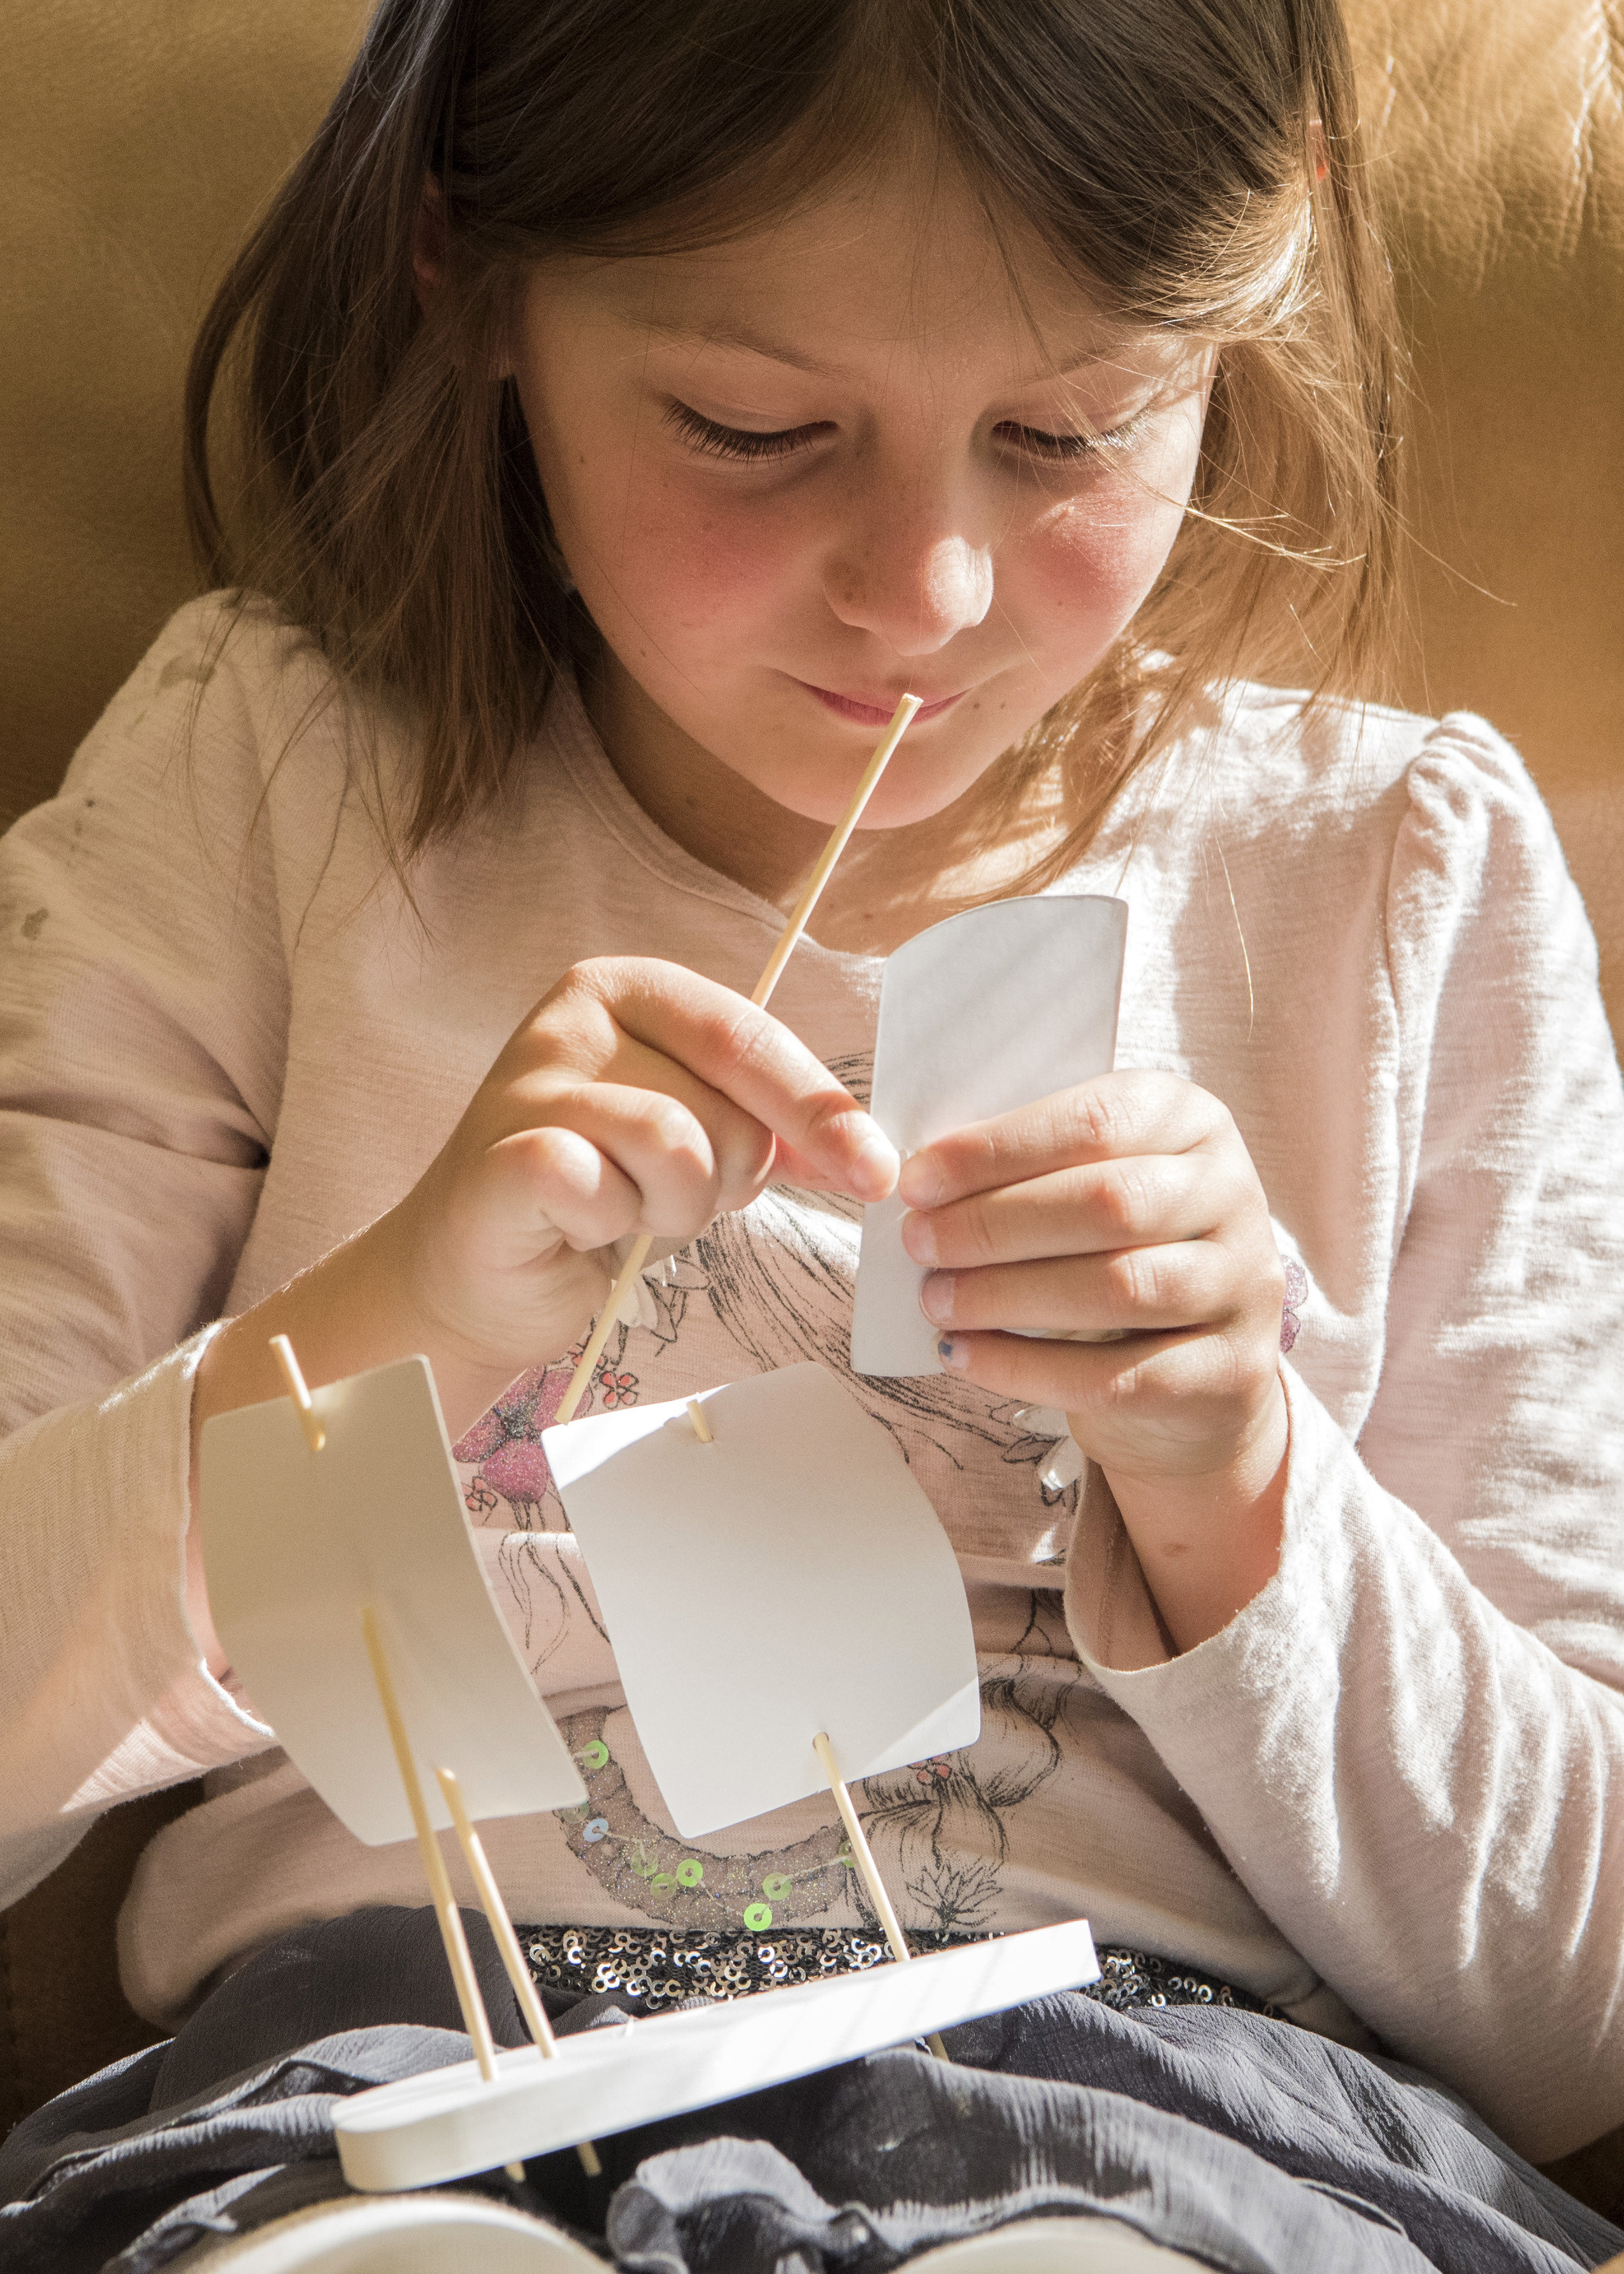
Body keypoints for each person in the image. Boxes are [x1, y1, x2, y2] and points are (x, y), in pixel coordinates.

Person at [2, 0, 1622, 2267]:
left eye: (1069, 429)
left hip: (1173, 2109)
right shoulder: (263, 789)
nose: (926, 600)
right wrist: (387, 1328)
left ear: (1239, 313)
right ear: (468, 277)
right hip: (371, 2089)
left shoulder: (1390, 877)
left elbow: (1582, 2012)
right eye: (754, 428)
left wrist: (1238, 1481)